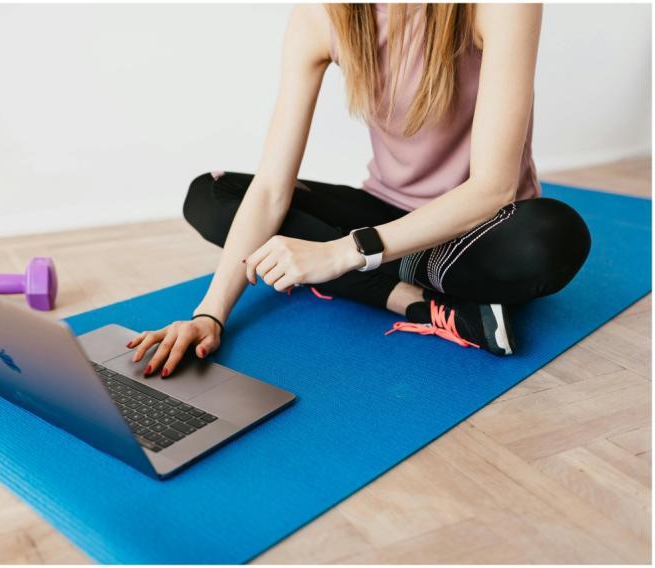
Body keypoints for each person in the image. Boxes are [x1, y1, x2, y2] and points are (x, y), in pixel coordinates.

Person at [127, 3, 591, 377]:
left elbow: (493, 188)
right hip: (384, 213)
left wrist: (342, 253)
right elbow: (271, 188)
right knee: (210, 195)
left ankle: (389, 268)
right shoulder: (321, 14)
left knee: (551, 235)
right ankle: (413, 299)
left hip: (479, 229)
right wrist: (209, 314)